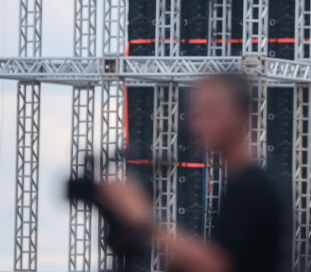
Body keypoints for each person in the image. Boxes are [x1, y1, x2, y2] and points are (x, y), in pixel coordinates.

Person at [97, 73, 289, 272]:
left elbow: (214, 263)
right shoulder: (242, 181)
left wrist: (143, 218)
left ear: (239, 116)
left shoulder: (251, 186)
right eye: (195, 113)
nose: (198, 124)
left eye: (209, 112)